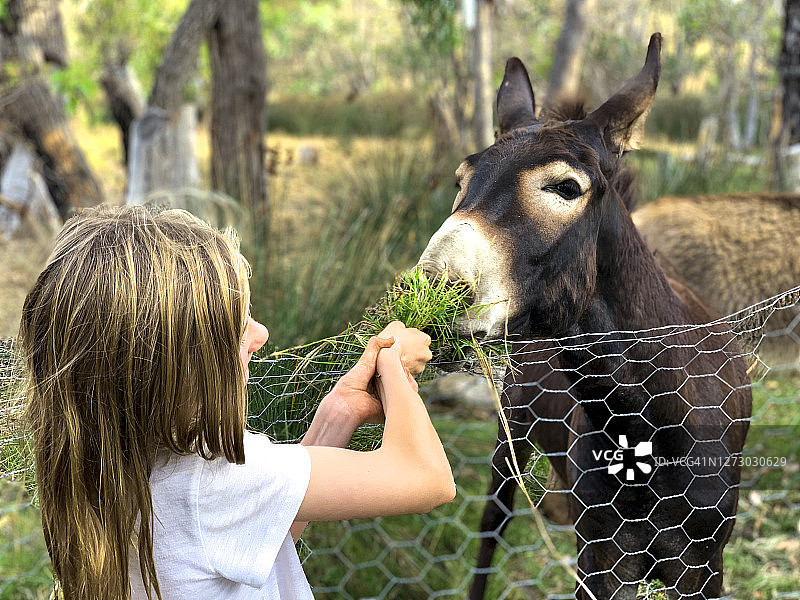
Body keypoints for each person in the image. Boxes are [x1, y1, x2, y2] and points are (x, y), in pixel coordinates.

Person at [19, 205, 456, 600]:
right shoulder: (212, 477)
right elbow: (428, 479)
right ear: (176, 367)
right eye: (234, 324)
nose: (260, 332)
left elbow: (266, 522)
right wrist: (395, 363)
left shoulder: (111, 466)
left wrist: (338, 414)